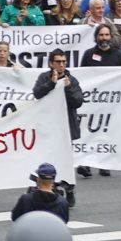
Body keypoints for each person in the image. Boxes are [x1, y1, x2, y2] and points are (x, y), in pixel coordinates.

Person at [34, 48, 91, 178]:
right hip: (48, 125)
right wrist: (51, 83)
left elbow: (77, 102)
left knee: (65, 159)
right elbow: (37, 94)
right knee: (46, 157)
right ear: (51, 63)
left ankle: (68, 189)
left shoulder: (71, 80)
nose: (61, 65)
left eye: (64, 62)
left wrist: (69, 88)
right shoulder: (44, 78)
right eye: (58, 62)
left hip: (65, 126)